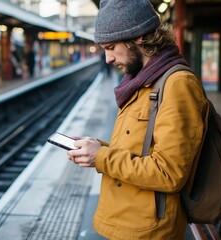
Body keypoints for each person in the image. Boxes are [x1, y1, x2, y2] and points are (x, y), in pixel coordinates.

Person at [66, 0, 209, 239]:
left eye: (111, 47)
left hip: (148, 229)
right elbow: (140, 150)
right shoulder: (141, 82)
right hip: (128, 218)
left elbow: (169, 172)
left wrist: (102, 157)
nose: (108, 58)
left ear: (139, 37)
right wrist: (98, 148)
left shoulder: (177, 85)